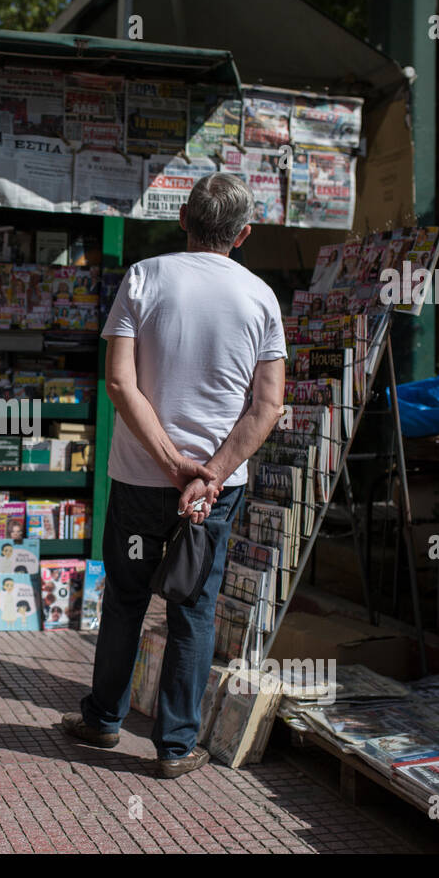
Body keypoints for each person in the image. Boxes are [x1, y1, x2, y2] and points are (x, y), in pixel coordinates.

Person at [61, 171, 286, 780]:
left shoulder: (144, 277)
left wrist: (168, 462)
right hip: (213, 494)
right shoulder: (261, 297)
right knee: (194, 608)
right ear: (244, 234)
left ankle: (103, 719)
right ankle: (175, 747)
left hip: (138, 479)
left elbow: (118, 382)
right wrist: (207, 473)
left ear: (184, 218)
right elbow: (267, 406)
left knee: (126, 600)